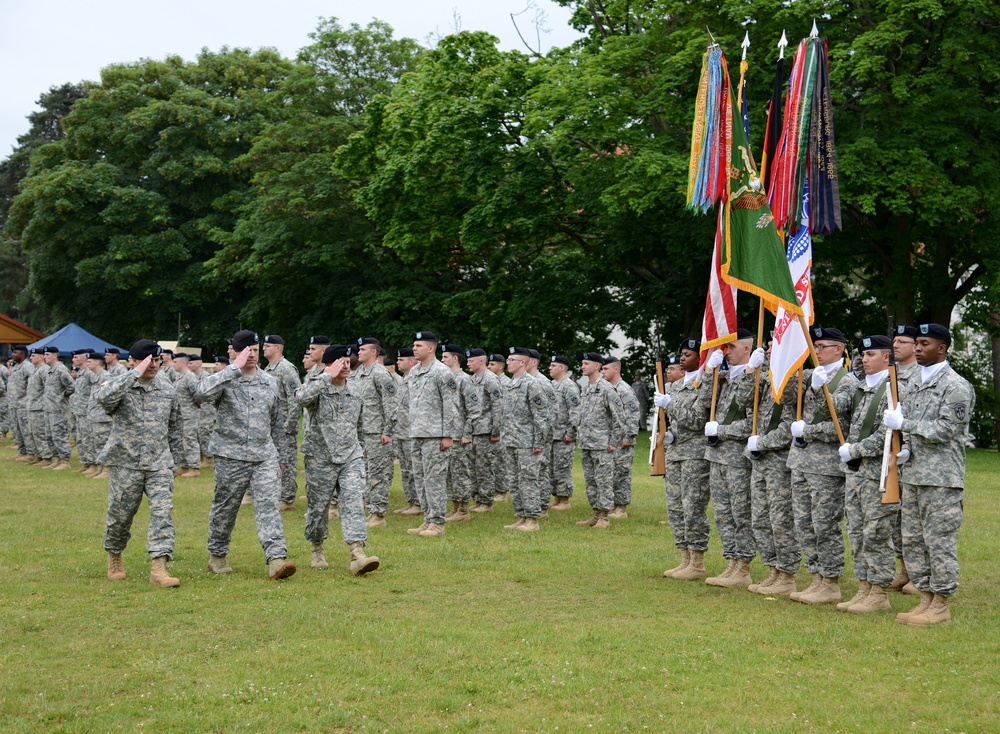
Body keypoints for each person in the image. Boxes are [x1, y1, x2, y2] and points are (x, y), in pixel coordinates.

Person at [888, 323, 975, 626]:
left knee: (939, 542)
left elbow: (946, 430)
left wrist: (905, 426)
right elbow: (912, 428)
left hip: (941, 480)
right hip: (913, 476)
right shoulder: (915, 384)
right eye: (918, 343)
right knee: (913, 540)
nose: (920, 348)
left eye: (926, 344)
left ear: (943, 348)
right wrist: (906, 449)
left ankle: (940, 603)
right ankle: (924, 598)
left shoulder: (955, 386)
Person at [196, 330, 296, 580]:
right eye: (245, 350)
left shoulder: (268, 381)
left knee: (268, 506)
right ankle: (217, 555)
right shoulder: (224, 379)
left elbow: (276, 422)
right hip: (231, 456)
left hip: (263, 456)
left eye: (254, 348)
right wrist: (232, 369)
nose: (251, 354)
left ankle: (276, 558)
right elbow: (200, 394)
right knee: (225, 508)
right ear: (236, 351)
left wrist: (281, 458)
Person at [93, 339, 183, 587]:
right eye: (148, 360)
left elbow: (175, 426)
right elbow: (103, 399)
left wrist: (174, 461)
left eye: (157, 360)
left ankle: (159, 567)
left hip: (159, 463)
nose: (153, 365)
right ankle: (114, 555)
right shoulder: (120, 385)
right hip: (126, 462)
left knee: (162, 513)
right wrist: (134, 373)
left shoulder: (166, 387)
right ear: (133, 360)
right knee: (120, 516)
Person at [788, 327, 858, 604]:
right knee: (804, 523)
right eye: (814, 346)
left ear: (839, 349)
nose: (816, 351)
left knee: (824, 523)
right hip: (802, 462)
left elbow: (843, 428)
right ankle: (816, 576)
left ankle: (830, 581)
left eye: (822, 346)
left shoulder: (847, 382)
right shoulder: (810, 377)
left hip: (826, 466)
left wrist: (807, 431)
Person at [295, 344, 380, 575]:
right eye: (339, 361)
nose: (345, 364)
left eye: (347, 360)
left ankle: (357, 553)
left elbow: (359, 424)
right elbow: (301, 399)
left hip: (350, 456)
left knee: (353, 500)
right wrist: (325, 377)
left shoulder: (356, 388)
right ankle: (317, 547)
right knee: (318, 509)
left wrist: (360, 448)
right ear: (329, 364)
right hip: (320, 458)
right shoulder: (316, 386)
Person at [833, 335, 900, 613]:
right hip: (856, 474)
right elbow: (834, 410)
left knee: (876, 532)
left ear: (886, 357)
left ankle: (880, 592)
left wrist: (855, 449)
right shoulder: (860, 387)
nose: (864, 359)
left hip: (877, 474)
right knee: (857, 531)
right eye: (862, 354)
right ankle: (864, 586)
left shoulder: (893, 389)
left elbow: (888, 436)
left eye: (871, 354)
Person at [744, 334, 799, 595]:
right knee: (761, 519)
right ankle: (773, 569)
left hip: (779, 462)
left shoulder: (793, 381)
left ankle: (787, 574)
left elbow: (789, 427)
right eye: (767, 348)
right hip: (760, 461)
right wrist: (750, 371)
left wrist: (762, 443)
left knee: (780, 519)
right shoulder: (766, 380)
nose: (768, 352)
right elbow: (743, 400)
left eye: (774, 348)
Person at [702, 330, 757, 587]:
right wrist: (707, 374)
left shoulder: (755, 379)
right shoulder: (722, 378)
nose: (727, 352)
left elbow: (753, 424)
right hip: (717, 456)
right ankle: (731, 561)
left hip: (737, 458)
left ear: (746, 349)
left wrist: (721, 431)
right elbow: (703, 402)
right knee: (723, 513)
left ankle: (743, 566)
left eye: (732, 347)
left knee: (740, 512)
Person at [656, 349, 712, 579]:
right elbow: (678, 422)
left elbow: (697, 420)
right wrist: (669, 435)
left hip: (694, 455)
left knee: (692, 507)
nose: (682, 358)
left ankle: (697, 563)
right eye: (681, 354)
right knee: (675, 507)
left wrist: (670, 405)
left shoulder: (702, 384)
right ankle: (685, 558)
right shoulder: (677, 385)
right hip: (676, 452)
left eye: (688, 354)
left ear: (700, 358)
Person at [405, 331, 460, 538]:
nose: (414, 349)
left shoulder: (442, 372)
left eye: (419, 346)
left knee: (434, 479)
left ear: (431, 348)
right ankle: (428, 519)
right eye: (414, 345)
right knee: (420, 478)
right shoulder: (415, 371)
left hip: (436, 435)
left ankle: (438, 523)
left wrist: (448, 435)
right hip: (417, 433)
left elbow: (451, 404)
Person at [499, 347, 549, 531]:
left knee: (529, 480)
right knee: (514, 481)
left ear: (523, 362)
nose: (508, 362)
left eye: (512, 359)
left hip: (527, 442)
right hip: (511, 441)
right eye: (508, 359)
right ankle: (521, 516)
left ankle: (532, 519)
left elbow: (542, 414)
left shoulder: (531, 384)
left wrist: (538, 441)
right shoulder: (510, 384)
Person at [576, 352, 627, 529]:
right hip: (587, 443)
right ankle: (596, 514)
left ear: (597, 366)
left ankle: (605, 517)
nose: (583, 366)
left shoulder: (606, 389)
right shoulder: (586, 388)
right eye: (582, 363)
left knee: (604, 480)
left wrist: (614, 441)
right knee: (591, 481)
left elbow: (619, 418)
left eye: (586, 363)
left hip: (603, 445)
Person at [887, 324, 921, 593]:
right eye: (894, 341)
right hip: (890, 448)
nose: (896, 345)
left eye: (902, 341)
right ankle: (905, 566)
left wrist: (907, 444)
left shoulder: (922, 375)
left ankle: (918, 571)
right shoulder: (889, 374)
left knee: (915, 516)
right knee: (897, 517)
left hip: (913, 450)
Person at [354, 337, 398, 527]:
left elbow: (391, 405)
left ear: (373, 352)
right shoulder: (361, 374)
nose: (359, 353)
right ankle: (371, 510)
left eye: (363, 349)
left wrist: (388, 431)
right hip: (364, 432)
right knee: (368, 472)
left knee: (379, 473)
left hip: (378, 432)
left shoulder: (380, 374)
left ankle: (378, 514)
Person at [262, 334, 302, 510]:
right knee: (274, 461)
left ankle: (287, 499)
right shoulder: (268, 369)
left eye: (267, 345)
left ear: (278, 348)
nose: (264, 348)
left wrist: (290, 426)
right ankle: (277, 494)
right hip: (272, 426)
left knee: (287, 461)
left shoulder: (286, 369)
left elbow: (296, 399)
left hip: (285, 425)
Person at [441, 344, 480, 523]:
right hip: (448, 434)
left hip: (460, 435)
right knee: (450, 473)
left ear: (455, 359)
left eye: (445, 357)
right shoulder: (445, 378)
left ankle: (463, 509)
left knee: (461, 473)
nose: (442, 360)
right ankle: (455, 507)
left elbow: (474, 410)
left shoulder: (464, 380)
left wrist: (467, 433)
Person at [602, 356, 639, 519]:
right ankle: (614, 505)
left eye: (606, 369)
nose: (603, 372)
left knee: (622, 473)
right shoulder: (608, 388)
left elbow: (633, 414)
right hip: (611, 438)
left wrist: (629, 437)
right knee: (612, 473)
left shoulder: (623, 389)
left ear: (616, 369)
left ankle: (621, 508)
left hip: (623, 439)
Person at [466, 348, 503, 513]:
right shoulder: (472, 379)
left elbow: (498, 406)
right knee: (473, 467)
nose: (468, 363)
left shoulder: (490, 379)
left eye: (471, 360)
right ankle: (478, 499)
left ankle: (486, 501)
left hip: (486, 431)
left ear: (481, 361)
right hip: (474, 430)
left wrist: (496, 431)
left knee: (485, 467)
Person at [391, 348, 423, 516]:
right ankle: (411, 501)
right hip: (402, 432)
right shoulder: (404, 380)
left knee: (414, 470)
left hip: (413, 432)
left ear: (411, 362)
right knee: (405, 470)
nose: (398, 362)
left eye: (401, 359)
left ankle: (418, 503)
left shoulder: (417, 380)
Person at [548, 355, 581, 510]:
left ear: (562, 368)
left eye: (553, 365)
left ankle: (565, 500)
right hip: (552, 434)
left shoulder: (569, 386)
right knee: (552, 468)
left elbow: (575, 411)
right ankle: (557, 497)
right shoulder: (552, 385)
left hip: (563, 435)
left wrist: (571, 432)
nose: (550, 368)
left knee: (562, 467)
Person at [524, 350, 555, 513]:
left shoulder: (542, 382)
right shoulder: (525, 381)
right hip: (527, 436)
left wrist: (544, 436)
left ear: (534, 362)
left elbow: (551, 410)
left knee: (541, 471)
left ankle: (542, 505)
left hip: (541, 435)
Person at [41, 346, 75, 471]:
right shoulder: (50, 371)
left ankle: (65, 461)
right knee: (50, 435)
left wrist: (62, 396)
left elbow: (71, 386)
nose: (45, 357)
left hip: (58, 409)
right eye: (44, 355)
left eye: (48, 355)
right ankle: (57, 459)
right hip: (49, 408)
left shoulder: (61, 370)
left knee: (59, 435)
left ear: (55, 355)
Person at [170, 354, 202, 477]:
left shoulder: (190, 377)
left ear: (183, 363)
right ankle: (184, 466)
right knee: (180, 441)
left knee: (190, 440)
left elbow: (198, 395)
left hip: (189, 414)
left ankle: (194, 468)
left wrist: (196, 406)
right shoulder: (179, 377)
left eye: (175, 362)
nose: (174, 364)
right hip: (179, 415)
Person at [83, 352, 113, 479]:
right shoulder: (96, 377)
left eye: (90, 361)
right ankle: (100, 467)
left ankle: (107, 470)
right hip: (95, 415)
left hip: (103, 417)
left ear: (97, 362)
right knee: (96, 443)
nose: (87, 363)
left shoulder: (106, 376)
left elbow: (110, 397)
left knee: (104, 443)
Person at [487, 353, 511, 503]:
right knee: (492, 460)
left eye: (492, 364)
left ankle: (501, 491)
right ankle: (493, 489)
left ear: (501, 366)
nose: (489, 367)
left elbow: (504, 407)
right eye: (488, 364)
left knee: (501, 461)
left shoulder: (506, 382)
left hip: (504, 427)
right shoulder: (491, 381)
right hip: (492, 425)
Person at [5, 346, 33, 461]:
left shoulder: (28, 367)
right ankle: (22, 451)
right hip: (14, 404)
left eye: (15, 352)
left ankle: (30, 453)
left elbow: (32, 385)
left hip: (23, 404)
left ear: (23, 354)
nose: (13, 354)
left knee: (26, 430)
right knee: (17, 430)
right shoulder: (16, 367)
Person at [26, 348, 52, 466]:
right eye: (31, 356)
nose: (31, 357)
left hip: (40, 407)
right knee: (33, 432)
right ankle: (39, 455)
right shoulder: (34, 370)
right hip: (32, 406)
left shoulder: (45, 370)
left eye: (34, 355)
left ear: (41, 357)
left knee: (41, 432)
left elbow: (49, 389)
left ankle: (46, 457)